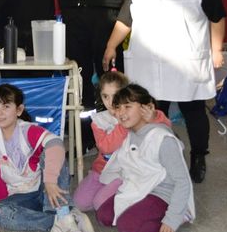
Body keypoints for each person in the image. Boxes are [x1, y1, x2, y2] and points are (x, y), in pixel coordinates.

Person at [102, 0, 226, 183]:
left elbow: (217, 17)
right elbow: (125, 20)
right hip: (149, 65)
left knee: (194, 112)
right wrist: (111, 46)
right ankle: (155, 157)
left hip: (185, 64)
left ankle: (198, 156)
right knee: (152, 113)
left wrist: (217, 50)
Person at [0, 84, 93, 232]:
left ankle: (62, 212)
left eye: (6, 106)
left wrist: (50, 181)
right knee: (0, 212)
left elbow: (56, 143)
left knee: (51, 153)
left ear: (19, 110)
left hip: (45, 189)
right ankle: (63, 221)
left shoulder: (27, 130)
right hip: (21, 196)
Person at [96, 85, 195, 232]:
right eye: (118, 107)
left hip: (163, 194)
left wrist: (172, 219)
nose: (121, 113)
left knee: (126, 225)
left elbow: (183, 182)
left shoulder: (163, 139)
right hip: (139, 188)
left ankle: (180, 215)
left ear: (146, 108)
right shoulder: (129, 135)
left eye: (127, 106)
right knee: (104, 216)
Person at [73, 71, 171, 212]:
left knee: (100, 204)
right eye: (105, 96)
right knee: (80, 203)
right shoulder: (99, 121)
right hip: (102, 169)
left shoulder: (136, 113)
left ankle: (132, 196)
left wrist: (154, 116)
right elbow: (105, 147)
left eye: (115, 95)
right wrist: (123, 123)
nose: (110, 102)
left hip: (129, 171)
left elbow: (166, 129)